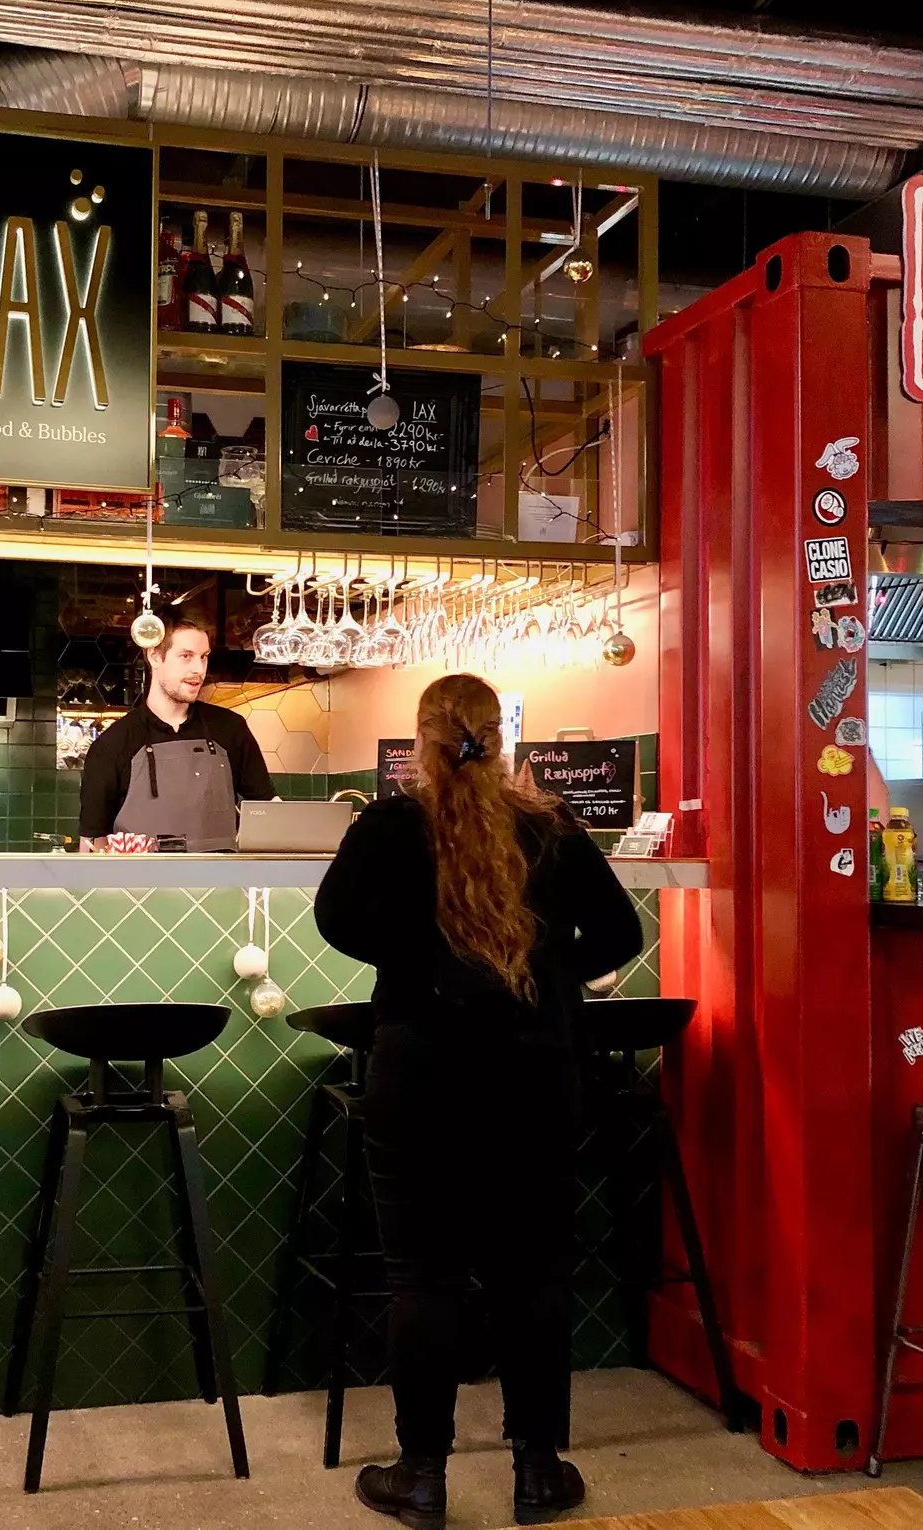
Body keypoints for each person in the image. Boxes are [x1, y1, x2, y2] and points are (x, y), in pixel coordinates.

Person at [314, 673, 644, 1530]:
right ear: (502, 737)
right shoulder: (551, 826)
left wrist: (424, 964)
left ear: (422, 741)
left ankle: (421, 1477)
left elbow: (335, 921)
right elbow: (620, 936)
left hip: (420, 1071)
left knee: (421, 1277)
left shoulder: (388, 826)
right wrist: (534, 974)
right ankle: (537, 1472)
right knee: (532, 1274)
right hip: (535, 1074)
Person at [78, 613, 273, 851]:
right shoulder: (113, 744)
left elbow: (269, 809)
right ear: (155, 656)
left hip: (223, 884)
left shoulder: (230, 728)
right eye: (186, 657)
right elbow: (92, 844)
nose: (198, 669)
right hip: (141, 887)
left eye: (203, 657)